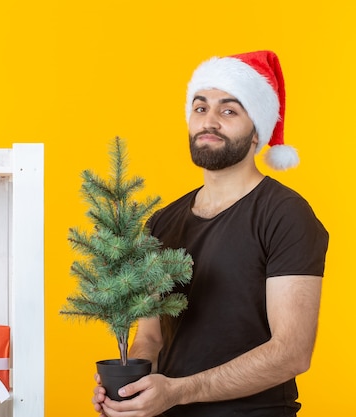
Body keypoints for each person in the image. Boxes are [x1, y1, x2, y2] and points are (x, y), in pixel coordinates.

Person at [92, 50, 329, 417]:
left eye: (229, 110)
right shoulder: (162, 222)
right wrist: (131, 386)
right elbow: (151, 336)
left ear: (257, 133)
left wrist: (179, 392)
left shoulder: (285, 215)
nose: (210, 121)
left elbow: (291, 353)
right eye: (200, 108)